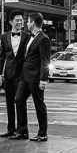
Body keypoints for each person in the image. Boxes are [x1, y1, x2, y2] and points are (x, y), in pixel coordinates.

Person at [11, 12, 51, 142]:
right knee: (19, 100)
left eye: (28, 21)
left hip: (36, 78)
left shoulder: (44, 39)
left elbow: (45, 61)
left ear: (33, 23)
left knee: (39, 104)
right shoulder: (29, 37)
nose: (26, 23)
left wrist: (43, 80)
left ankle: (42, 134)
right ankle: (22, 131)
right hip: (25, 76)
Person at [0, 11, 29, 138]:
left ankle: (22, 130)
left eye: (21, 20)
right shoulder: (4, 37)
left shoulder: (27, 36)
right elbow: (1, 56)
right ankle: (11, 129)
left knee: (20, 101)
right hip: (8, 74)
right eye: (17, 20)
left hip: (22, 74)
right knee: (9, 102)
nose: (20, 22)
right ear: (11, 22)